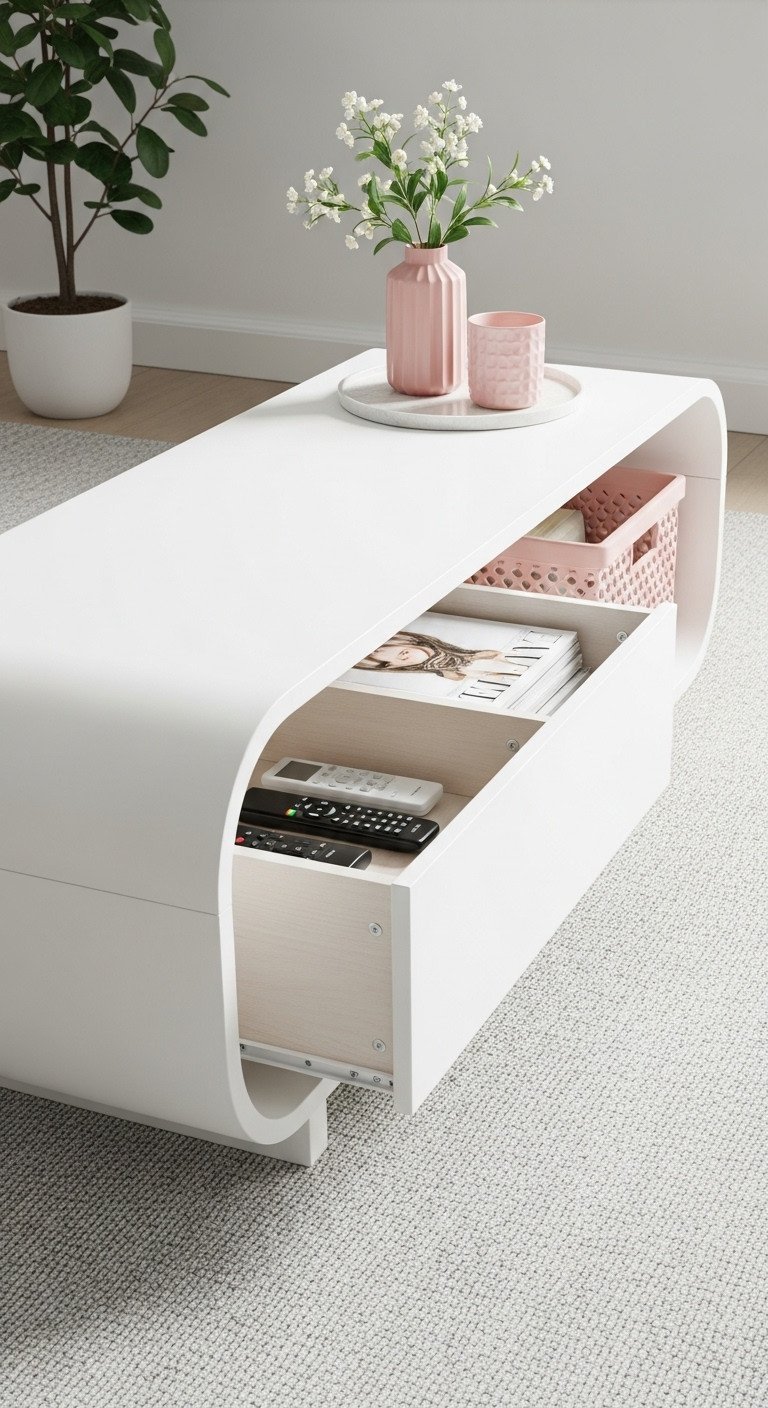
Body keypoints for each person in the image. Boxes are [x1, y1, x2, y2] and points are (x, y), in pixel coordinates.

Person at [354, 629, 528, 682]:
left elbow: (492, 654)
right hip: (475, 672)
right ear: (391, 666)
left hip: (477, 661)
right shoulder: (439, 668)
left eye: (403, 651)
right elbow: (456, 677)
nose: (405, 656)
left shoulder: (458, 653)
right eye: (401, 658)